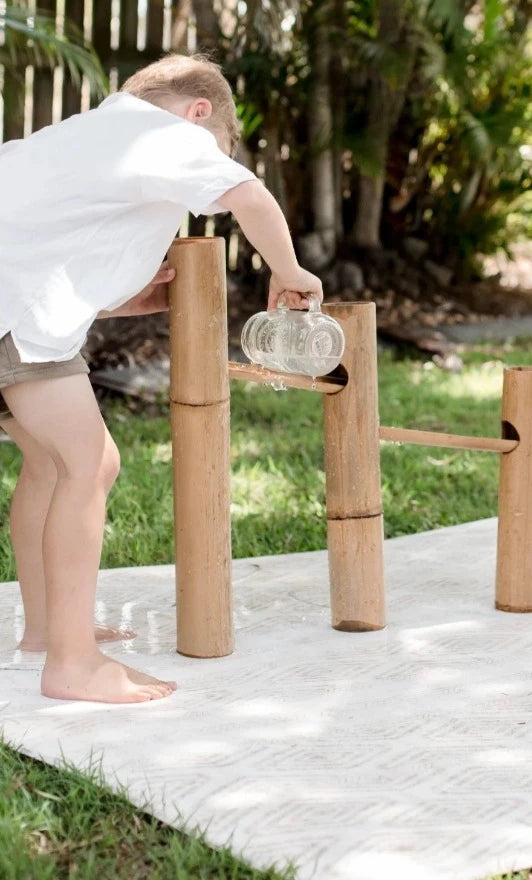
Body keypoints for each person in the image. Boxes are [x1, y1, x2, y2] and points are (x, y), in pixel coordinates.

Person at [0, 53, 322, 704]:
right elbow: (248, 195)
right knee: (85, 465)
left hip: (14, 307)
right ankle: (71, 663)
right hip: (16, 317)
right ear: (197, 112)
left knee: (53, 461)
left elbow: (47, 240)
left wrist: (120, 302)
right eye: (221, 148)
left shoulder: (79, 137)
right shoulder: (162, 133)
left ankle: (44, 631)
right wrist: (290, 272)